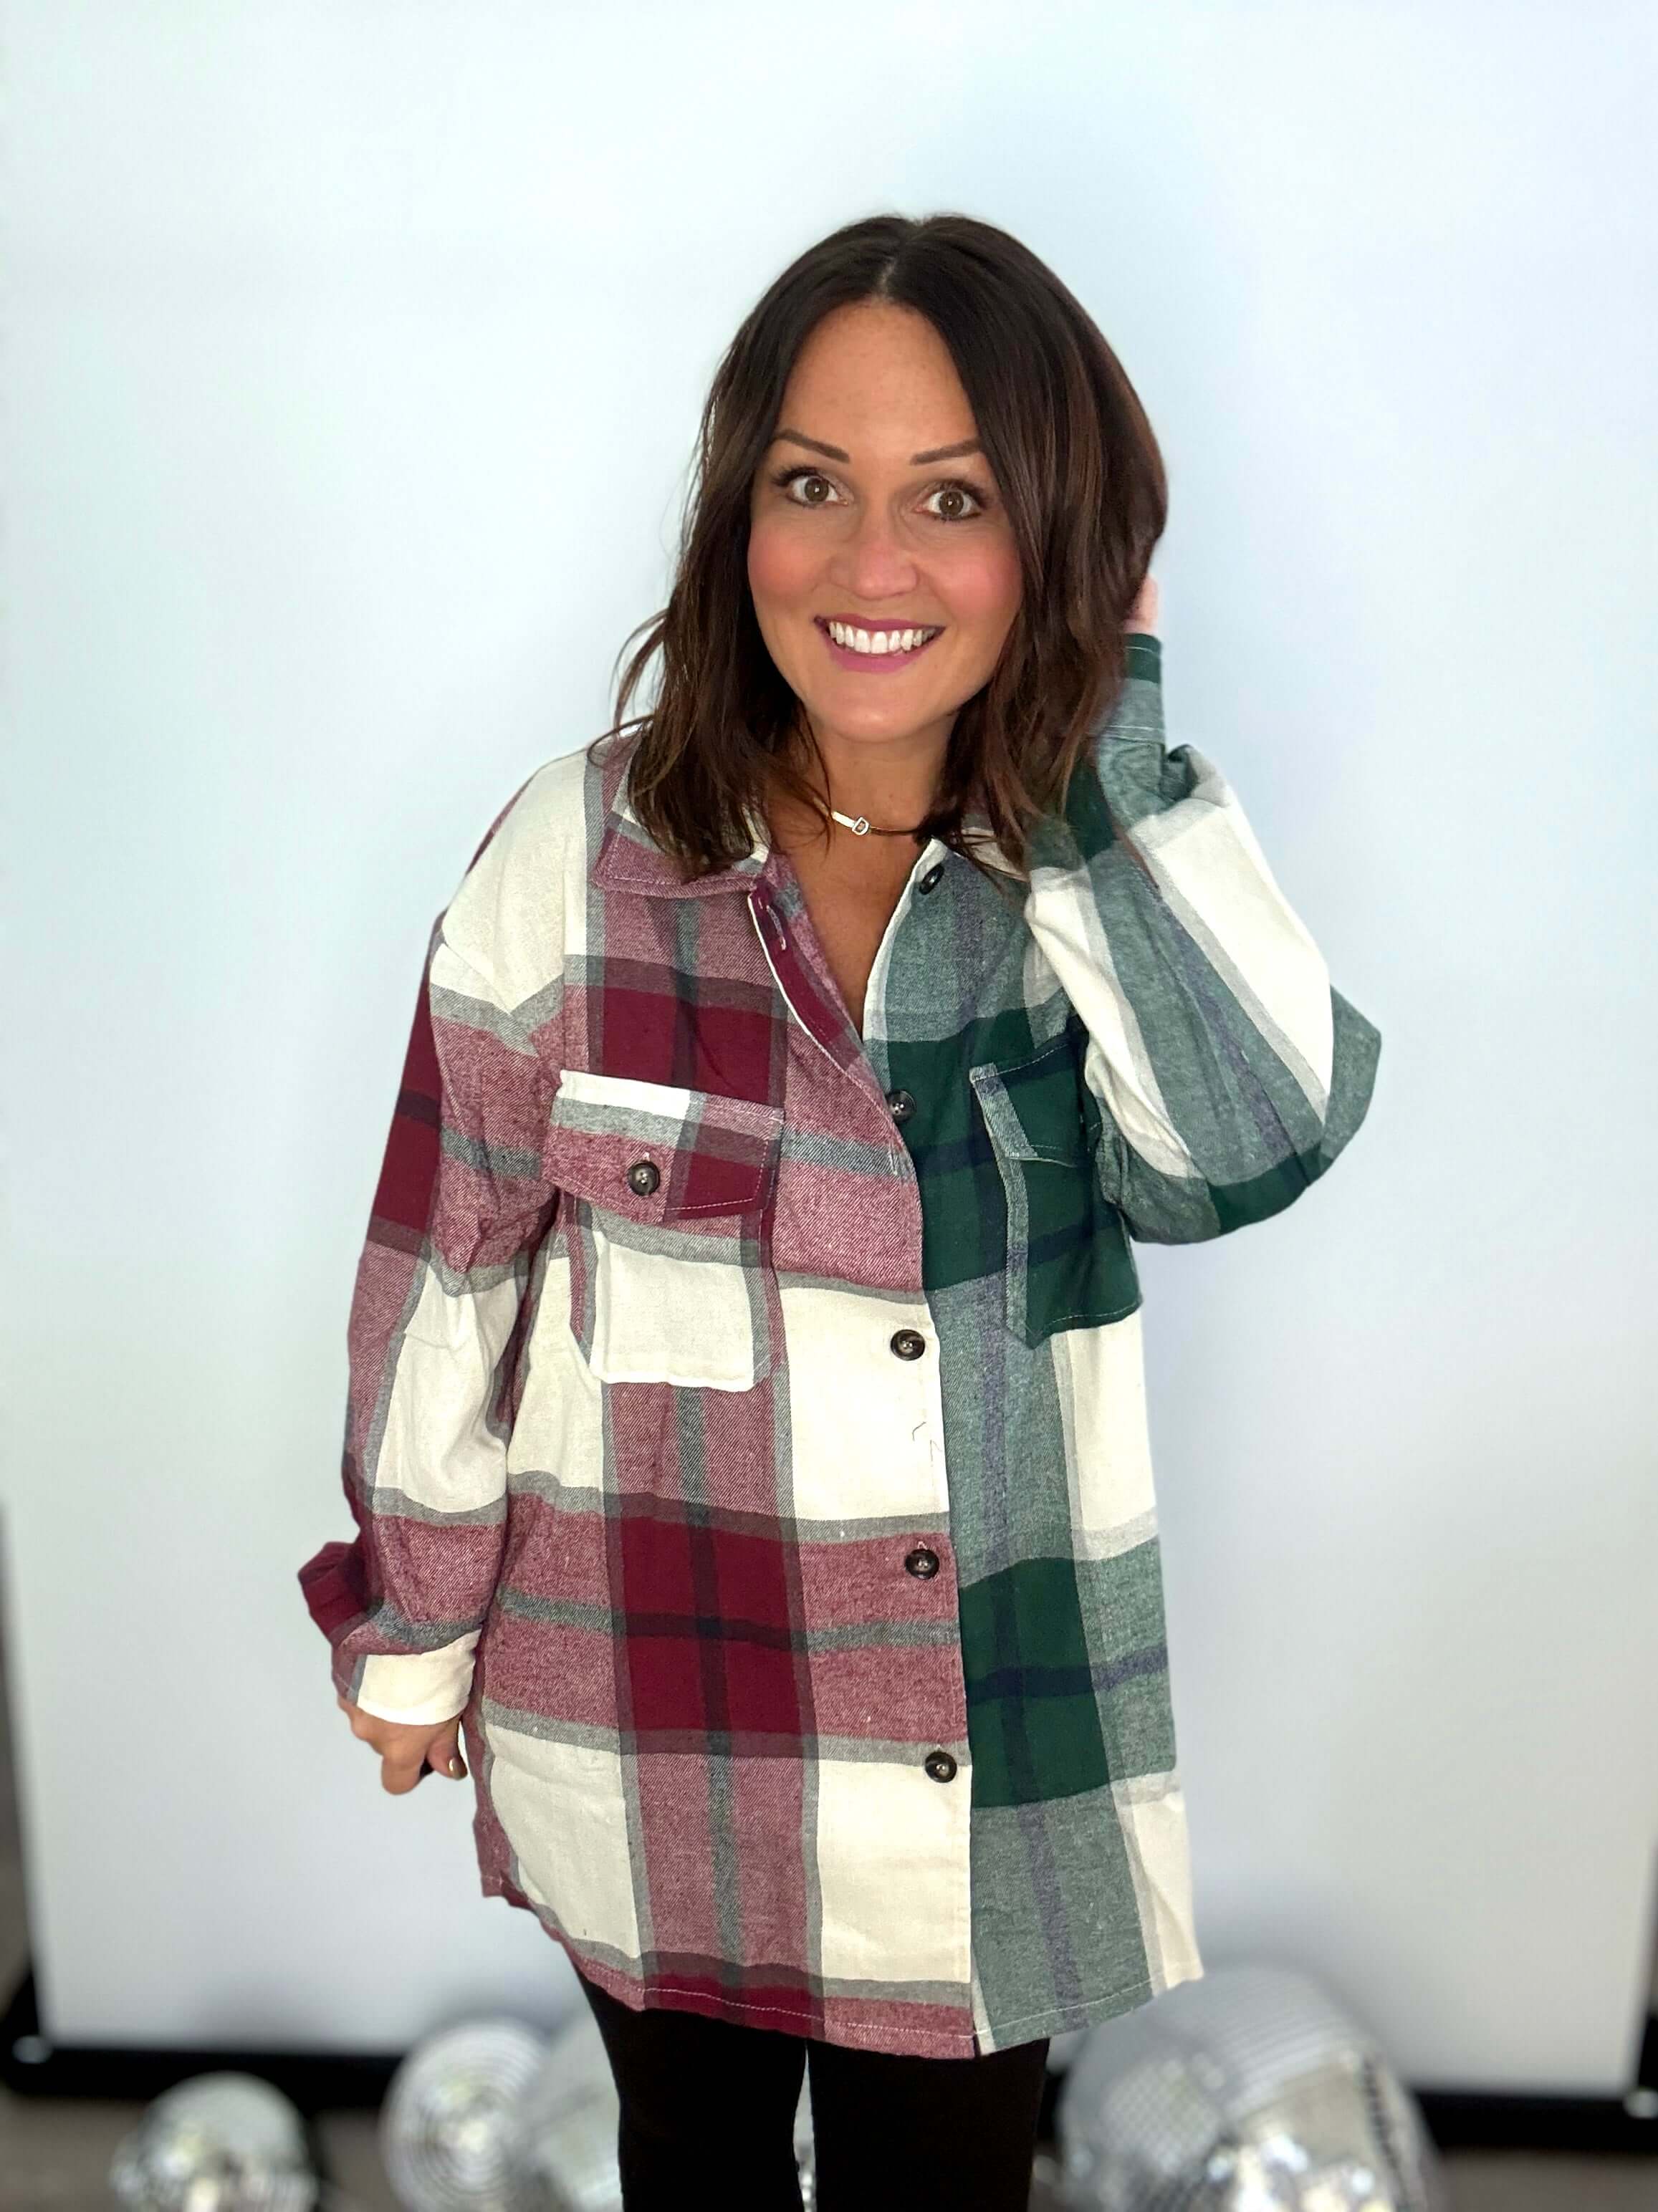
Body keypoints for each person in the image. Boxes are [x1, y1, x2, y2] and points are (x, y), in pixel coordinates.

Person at [299, 211, 1381, 2208]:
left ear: (1056, 536)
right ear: (741, 515)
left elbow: (1247, 1146)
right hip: (645, 1711)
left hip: (983, 1754)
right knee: (690, 2168)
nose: (869, 565)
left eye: (953, 499)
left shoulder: (1092, 863)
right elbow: (453, 1270)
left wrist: (1096, 742)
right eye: (813, 485)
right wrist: (416, 1630)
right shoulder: (577, 856)